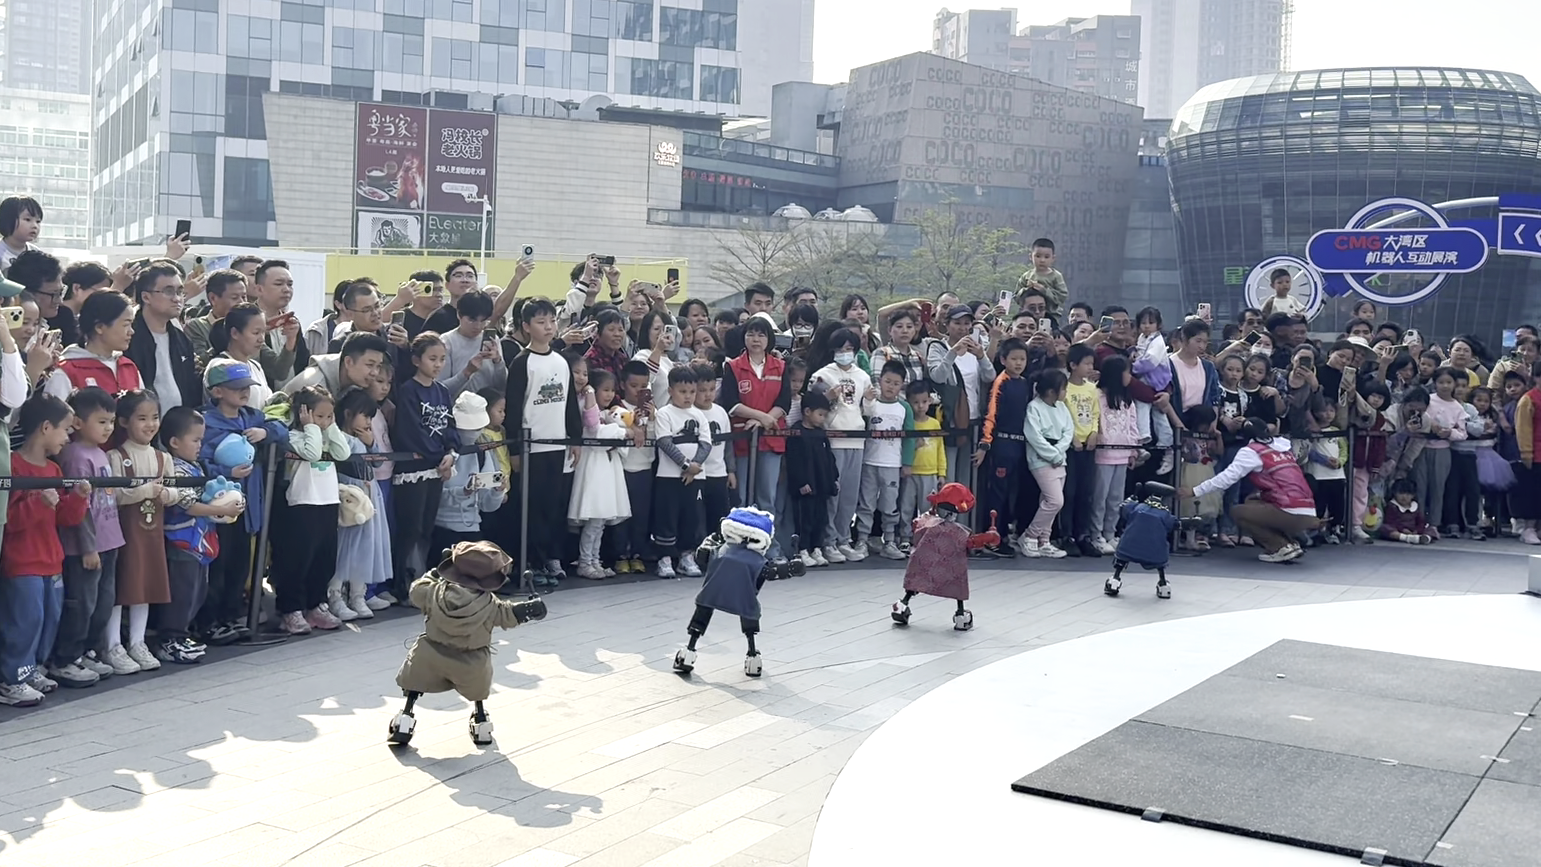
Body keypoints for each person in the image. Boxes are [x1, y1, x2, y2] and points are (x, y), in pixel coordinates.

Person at [387, 541, 547, 748]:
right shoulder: (490, 605)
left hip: (431, 654)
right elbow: (507, 615)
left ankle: (405, 720)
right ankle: (481, 724)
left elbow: (416, 590)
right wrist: (527, 610)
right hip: (471, 660)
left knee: (415, 683)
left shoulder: (433, 592)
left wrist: (435, 573)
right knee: (478, 689)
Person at [0, 394, 91, 706]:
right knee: (24, 620)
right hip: (22, 560)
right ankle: (11, 679)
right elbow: (9, 520)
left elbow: (65, 518)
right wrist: (38, 503)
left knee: (49, 618)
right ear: (46, 427)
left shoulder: (53, 470)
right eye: (65, 429)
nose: (68, 437)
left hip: (51, 559)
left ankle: (31, 670)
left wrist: (78, 497)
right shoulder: (12, 465)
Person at [197, 358, 287, 644]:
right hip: (218, 510)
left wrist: (266, 432)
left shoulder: (253, 417)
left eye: (247, 386)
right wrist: (227, 472)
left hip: (248, 509)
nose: (244, 392)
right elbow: (200, 462)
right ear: (217, 391)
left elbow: (283, 430)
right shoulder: (205, 422)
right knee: (218, 567)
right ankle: (210, 623)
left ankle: (231, 617)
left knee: (240, 567)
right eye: (236, 387)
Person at [48, 388, 123, 687]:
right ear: (77, 423)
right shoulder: (75, 456)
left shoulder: (100, 453)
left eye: (111, 422)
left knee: (103, 604)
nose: (108, 428)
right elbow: (80, 509)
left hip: (109, 542)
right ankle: (65, 658)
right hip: (84, 548)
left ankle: (87, 651)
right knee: (81, 604)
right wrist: (88, 547)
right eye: (102, 422)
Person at [503, 299, 581, 586]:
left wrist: (575, 439)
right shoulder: (522, 362)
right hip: (531, 447)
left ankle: (548, 559)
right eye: (540, 322)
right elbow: (513, 408)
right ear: (526, 326)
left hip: (557, 445)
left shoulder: (561, 361)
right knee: (531, 508)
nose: (548, 327)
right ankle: (529, 563)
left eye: (552, 321)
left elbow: (570, 403)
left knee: (552, 506)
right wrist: (514, 450)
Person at [159, 406, 241, 663]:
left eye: (201, 440)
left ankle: (183, 634)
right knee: (181, 593)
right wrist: (220, 509)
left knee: (197, 592)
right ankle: (170, 640)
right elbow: (187, 505)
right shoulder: (176, 469)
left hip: (201, 542)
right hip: (181, 541)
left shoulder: (194, 466)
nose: (200, 446)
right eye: (195, 440)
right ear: (174, 442)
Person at [105, 390, 178, 674]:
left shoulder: (163, 458)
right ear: (124, 421)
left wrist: (168, 495)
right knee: (120, 587)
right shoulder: (115, 456)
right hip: (124, 534)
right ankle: (112, 645)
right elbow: (112, 495)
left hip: (152, 535)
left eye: (155, 417)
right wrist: (144, 491)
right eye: (142, 418)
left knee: (145, 586)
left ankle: (138, 642)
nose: (150, 424)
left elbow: (176, 490)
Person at [1181, 417, 1319, 564]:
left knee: (1238, 512)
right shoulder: (1283, 448)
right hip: (1310, 511)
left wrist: (1194, 491)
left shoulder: (1252, 451)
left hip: (1290, 510)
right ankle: (1291, 543)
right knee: (1252, 501)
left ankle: (1279, 547)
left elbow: (1226, 478)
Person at [274, 386, 353, 634]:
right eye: (319, 416)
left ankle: (316, 604)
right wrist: (311, 427)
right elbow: (312, 453)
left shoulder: (327, 433)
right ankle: (291, 609)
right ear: (303, 413)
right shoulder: (295, 436)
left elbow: (344, 453)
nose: (324, 421)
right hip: (302, 502)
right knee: (298, 558)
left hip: (327, 501)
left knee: (324, 557)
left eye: (329, 416)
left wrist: (332, 427)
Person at [391, 333, 460, 597]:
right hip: (414, 470)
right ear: (416, 360)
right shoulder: (408, 390)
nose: (438, 364)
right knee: (411, 527)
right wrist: (438, 456)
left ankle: (422, 579)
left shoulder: (442, 391)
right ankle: (401, 582)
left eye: (442, 359)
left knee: (427, 527)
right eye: (432, 359)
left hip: (437, 467)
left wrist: (451, 453)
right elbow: (411, 432)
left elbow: (450, 426)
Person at [673, 507, 778, 678]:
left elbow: (702, 557)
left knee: (702, 615)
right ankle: (752, 656)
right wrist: (788, 568)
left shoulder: (720, 550)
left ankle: (688, 653)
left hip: (712, 593)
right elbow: (770, 572)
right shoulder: (757, 560)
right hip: (744, 597)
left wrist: (710, 542)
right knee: (749, 618)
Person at [719, 315, 792, 559]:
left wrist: (766, 420)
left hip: (771, 439)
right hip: (742, 439)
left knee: (767, 498)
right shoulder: (733, 366)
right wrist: (760, 417)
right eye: (751, 334)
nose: (756, 339)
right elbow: (731, 403)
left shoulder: (780, 366)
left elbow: (784, 402)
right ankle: (739, 550)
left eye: (761, 334)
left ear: (769, 339)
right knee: (742, 497)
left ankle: (770, 550)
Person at [890, 482, 998, 631]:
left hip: (923, 563)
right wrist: (990, 537)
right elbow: (972, 542)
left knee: (916, 581)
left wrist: (931, 512)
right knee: (957, 587)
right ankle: (961, 616)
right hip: (950, 568)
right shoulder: (960, 532)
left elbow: (916, 525)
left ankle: (902, 605)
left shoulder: (928, 522)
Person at [810, 329, 872, 563]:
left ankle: (844, 539)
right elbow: (813, 406)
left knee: (849, 495)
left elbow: (868, 410)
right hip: (833, 439)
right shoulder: (822, 375)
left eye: (848, 349)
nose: (844, 353)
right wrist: (827, 398)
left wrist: (871, 400)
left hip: (857, 439)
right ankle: (828, 541)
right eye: (839, 349)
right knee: (833, 493)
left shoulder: (863, 376)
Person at [650, 366, 711, 580]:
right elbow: (665, 442)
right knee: (667, 516)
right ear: (670, 391)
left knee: (691, 516)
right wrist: (686, 465)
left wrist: (695, 466)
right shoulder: (664, 414)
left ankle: (687, 556)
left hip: (696, 477)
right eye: (682, 391)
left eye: (692, 392)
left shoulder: (699, 415)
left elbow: (706, 444)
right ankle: (665, 558)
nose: (688, 396)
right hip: (668, 476)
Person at [568, 369, 629, 580]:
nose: (610, 394)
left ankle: (595, 560)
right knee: (594, 521)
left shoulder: (605, 413)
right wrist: (623, 433)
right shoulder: (586, 407)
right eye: (605, 390)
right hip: (593, 469)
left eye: (612, 390)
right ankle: (585, 561)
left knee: (600, 521)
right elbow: (594, 432)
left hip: (606, 470)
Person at [335, 388, 390, 619]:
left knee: (366, 546)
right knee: (345, 548)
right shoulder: (339, 437)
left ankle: (359, 595)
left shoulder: (365, 438)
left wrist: (371, 442)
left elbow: (377, 463)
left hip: (370, 495)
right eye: (365, 416)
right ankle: (335, 596)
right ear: (348, 413)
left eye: (370, 417)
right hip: (350, 497)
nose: (368, 422)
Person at [927, 306, 997, 486]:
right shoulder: (938, 347)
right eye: (957, 323)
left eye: (967, 323)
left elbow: (989, 377)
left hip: (973, 420)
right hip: (950, 420)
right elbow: (937, 376)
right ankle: (945, 505)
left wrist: (981, 356)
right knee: (948, 475)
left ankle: (965, 506)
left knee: (967, 477)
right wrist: (952, 353)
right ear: (947, 324)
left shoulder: (975, 349)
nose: (962, 328)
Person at [432, 391, 507, 557]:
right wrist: (463, 492)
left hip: (474, 530)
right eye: (467, 428)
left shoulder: (482, 452)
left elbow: (487, 505)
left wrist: (498, 491)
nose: (472, 433)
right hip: (441, 528)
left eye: (477, 428)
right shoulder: (440, 450)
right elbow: (431, 497)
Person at [977, 338, 1031, 555]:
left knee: (1012, 492)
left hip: (1020, 444)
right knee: (997, 492)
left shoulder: (1025, 383)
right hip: (1002, 444)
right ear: (1003, 360)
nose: (1018, 363)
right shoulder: (1001, 382)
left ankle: (1005, 535)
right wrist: (985, 444)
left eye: (1022, 359)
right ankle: (992, 538)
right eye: (1014, 359)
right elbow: (991, 414)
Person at [855, 361, 912, 560]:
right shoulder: (871, 404)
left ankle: (889, 541)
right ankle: (862, 540)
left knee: (890, 505)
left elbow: (910, 438)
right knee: (866, 503)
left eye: (896, 383)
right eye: (887, 381)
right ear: (880, 380)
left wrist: (907, 463)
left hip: (892, 464)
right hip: (869, 461)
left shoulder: (904, 407)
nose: (891, 387)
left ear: (902, 385)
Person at [125, 262, 200, 412]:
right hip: (141, 420)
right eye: (168, 291)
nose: (177, 298)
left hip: (179, 422)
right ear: (146, 297)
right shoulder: (128, 337)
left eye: (180, 291)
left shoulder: (181, 339)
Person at [46, 291, 142, 400]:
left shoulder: (128, 367)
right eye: (126, 325)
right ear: (99, 327)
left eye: (131, 324)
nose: (131, 331)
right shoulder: (66, 371)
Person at [1020, 370, 1073, 558]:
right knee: (1055, 501)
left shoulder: (1062, 408)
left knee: (1048, 501)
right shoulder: (1034, 407)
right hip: (1040, 459)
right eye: (1063, 389)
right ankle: (1029, 535)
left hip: (1059, 458)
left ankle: (1044, 540)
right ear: (1051, 391)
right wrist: (1052, 454)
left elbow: (1068, 431)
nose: (1065, 392)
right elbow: (1034, 436)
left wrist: (1058, 452)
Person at [1091, 355, 1141, 554]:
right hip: (1102, 455)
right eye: (1127, 372)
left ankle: (1110, 533)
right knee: (1099, 497)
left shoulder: (1128, 401)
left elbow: (1133, 426)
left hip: (1123, 454)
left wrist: (1133, 450)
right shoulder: (1097, 396)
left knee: (1116, 498)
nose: (1130, 376)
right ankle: (1095, 534)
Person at [614, 362, 656, 574]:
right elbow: (616, 425)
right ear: (622, 385)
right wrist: (633, 423)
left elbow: (657, 436)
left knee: (641, 514)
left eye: (644, 386)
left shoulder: (653, 410)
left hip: (644, 467)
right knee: (621, 515)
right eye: (634, 385)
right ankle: (620, 554)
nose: (639, 391)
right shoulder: (617, 408)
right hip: (622, 467)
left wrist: (652, 418)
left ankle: (638, 553)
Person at [1104, 482, 1180, 599]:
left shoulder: (1137, 507)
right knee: (1161, 563)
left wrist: (1130, 500)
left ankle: (1114, 581)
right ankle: (1163, 585)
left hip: (1128, 548)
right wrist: (1190, 522)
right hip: (1154, 552)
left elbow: (1123, 510)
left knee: (1121, 558)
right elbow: (1175, 524)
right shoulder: (1165, 515)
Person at [787, 390, 837, 566]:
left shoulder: (821, 433)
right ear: (807, 411)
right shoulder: (796, 432)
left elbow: (829, 458)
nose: (822, 419)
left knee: (820, 518)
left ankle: (816, 547)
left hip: (822, 484)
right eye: (820, 414)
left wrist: (833, 478)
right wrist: (801, 482)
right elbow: (793, 461)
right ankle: (802, 549)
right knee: (804, 519)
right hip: (806, 487)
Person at [1061, 344, 1102, 557]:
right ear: (1073, 365)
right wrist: (1073, 438)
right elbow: (1063, 415)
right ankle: (1066, 535)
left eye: (1091, 363)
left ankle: (1083, 535)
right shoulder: (1065, 388)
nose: (1090, 367)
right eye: (1086, 363)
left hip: (1089, 446)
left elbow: (1095, 413)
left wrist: (1094, 432)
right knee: (1069, 492)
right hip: (1071, 446)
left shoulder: (1091, 388)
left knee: (1086, 492)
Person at [691, 362, 735, 561]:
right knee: (696, 517)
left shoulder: (721, 412)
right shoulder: (690, 412)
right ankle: (697, 554)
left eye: (711, 389)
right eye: (702, 390)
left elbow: (728, 445)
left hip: (718, 472)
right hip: (697, 474)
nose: (708, 395)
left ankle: (718, 553)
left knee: (719, 516)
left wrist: (731, 471)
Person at [898, 381, 944, 554]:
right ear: (908, 402)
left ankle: (926, 538)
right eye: (915, 402)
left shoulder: (935, 424)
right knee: (906, 507)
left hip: (930, 472)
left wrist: (942, 473)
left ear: (930, 401)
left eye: (924, 402)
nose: (920, 406)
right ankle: (904, 538)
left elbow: (940, 449)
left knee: (928, 509)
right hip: (911, 472)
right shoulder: (907, 423)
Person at [435, 289, 506, 398]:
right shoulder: (446, 342)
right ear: (459, 315)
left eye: (483, 321)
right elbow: (440, 389)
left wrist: (498, 362)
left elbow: (502, 385)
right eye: (472, 320)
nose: (478, 326)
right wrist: (466, 372)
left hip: (488, 405)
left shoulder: (492, 340)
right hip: (457, 405)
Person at [184, 269, 248, 370]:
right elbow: (201, 363)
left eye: (244, 297)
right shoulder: (196, 327)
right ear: (213, 298)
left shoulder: (250, 326)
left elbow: (270, 363)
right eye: (234, 297)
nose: (241, 303)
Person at [1016, 238, 1067, 316]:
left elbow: (1062, 297)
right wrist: (1026, 290)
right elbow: (1016, 296)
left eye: (1046, 257)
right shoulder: (1026, 276)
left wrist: (1044, 290)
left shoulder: (1056, 276)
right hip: (1029, 314)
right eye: (1038, 256)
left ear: (1053, 258)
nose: (1042, 260)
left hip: (1051, 314)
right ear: (1031, 257)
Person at [1380, 478, 1437, 544]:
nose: (1404, 497)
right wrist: (1403, 529)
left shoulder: (1415, 505)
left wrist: (1417, 530)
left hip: (1414, 530)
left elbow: (1421, 521)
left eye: (1408, 494)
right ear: (1394, 493)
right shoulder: (1392, 506)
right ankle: (1407, 538)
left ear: (1413, 495)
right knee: (1385, 528)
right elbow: (1390, 521)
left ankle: (1424, 538)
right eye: (1401, 493)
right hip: (1398, 530)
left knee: (1431, 529)